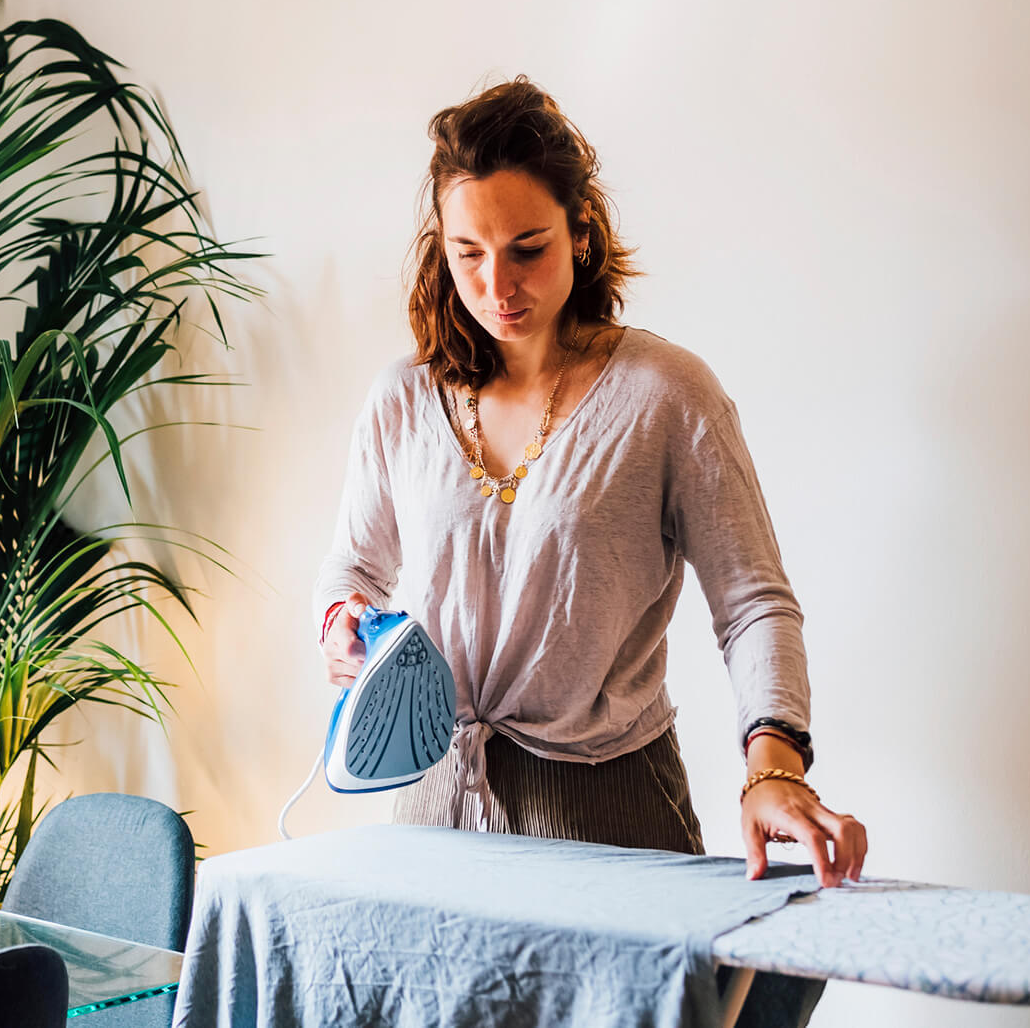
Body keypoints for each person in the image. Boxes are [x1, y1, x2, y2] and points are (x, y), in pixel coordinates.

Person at [313, 77, 867, 887]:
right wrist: (342, 623)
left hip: (611, 812)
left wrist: (773, 766)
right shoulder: (403, 396)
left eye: (527, 249)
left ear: (580, 233)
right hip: (432, 808)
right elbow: (353, 567)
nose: (497, 287)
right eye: (469, 254)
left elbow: (753, 601)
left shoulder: (667, 394)